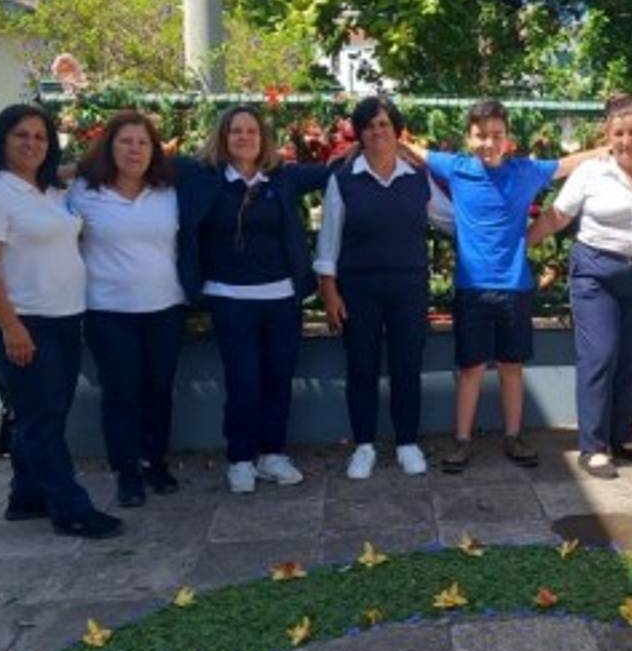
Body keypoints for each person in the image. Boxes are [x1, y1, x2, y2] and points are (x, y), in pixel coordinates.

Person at [409, 100, 599, 473]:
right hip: (471, 288)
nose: (489, 143)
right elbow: (415, 152)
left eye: (497, 135)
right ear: (469, 138)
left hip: (515, 288)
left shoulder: (526, 171)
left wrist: (610, 148)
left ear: (508, 139)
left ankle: (514, 436)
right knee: (471, 368)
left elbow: (568, 164)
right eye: (481, 135)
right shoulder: (457, 168)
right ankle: (462, 441)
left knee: (512, 366)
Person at [0, 104, 123, 538]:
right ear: (1, 140)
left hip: (64, 318)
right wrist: (11, 326)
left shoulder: (48, 189)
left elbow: (76, 170)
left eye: (40, 137)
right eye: (21, 135)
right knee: (43, 420)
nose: (32, 143)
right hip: (24, 322)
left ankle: (26, 496)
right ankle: (71, 509)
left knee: (41, 414)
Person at [175, 105, 333, 493]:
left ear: (263, 139)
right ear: (223, 137)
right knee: (243, 381)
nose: (244, 137)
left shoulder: (282, 178)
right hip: (229, 298)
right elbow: (141, 163)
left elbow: (334, 171)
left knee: (278, 379)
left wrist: (377, 146)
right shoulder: (202, 176)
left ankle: (272, 454)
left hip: (281, 298)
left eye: (251, 131)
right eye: (236, 131)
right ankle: (241, 458)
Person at [527, 95, 632, 479]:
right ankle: (594, 447)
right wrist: (519, 246)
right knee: (599, 354)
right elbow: (558, 216)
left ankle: (622, 435)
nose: (627, 141)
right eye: (619, 133)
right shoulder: (590, 173)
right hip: (596, 275)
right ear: (607, 136)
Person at [315, 97, 453, 479]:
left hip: (408, 287)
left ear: (397, 132)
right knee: (361, 366)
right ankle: (363, 446)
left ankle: (407, 443)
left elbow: (450, 220)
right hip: (358, 288)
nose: (377, 132)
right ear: (360, 134)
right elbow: (328, 241)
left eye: (384, 125)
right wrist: (329, 290)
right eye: (370, 126)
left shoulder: (418, 180)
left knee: (407, 365)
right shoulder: (344, 180)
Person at [68, 111, 185, 507]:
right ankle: (127, 473)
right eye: (126, 142)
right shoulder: (83, 191)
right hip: (108, 310)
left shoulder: (168, 190)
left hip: (165, 307)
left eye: (143, 143)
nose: (135, 150)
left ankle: (155, 462)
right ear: (109, 147)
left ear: (154, 150)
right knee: (120, 393)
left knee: (159, 390)